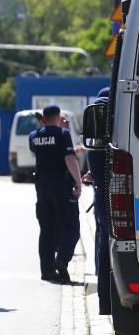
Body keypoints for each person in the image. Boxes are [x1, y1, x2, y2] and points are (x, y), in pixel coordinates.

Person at [30, 104, 83, 284]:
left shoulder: (34, 136)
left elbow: (44, 144)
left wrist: (45, 126)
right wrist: (78, 181)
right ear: (58, 116)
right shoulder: (63, 134)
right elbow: (69, 157)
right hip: (60, 185)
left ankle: (47, 271)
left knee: (46, 229)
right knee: (71, 226)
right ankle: (61, 260)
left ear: (43, 117)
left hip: (42, 186)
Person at [83, 88, 111, 314]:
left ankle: (105, 302)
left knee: (103, 244)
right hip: (114, 194)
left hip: (100, 193)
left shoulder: (94, 135)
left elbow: (95, 165)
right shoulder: (116, 132)